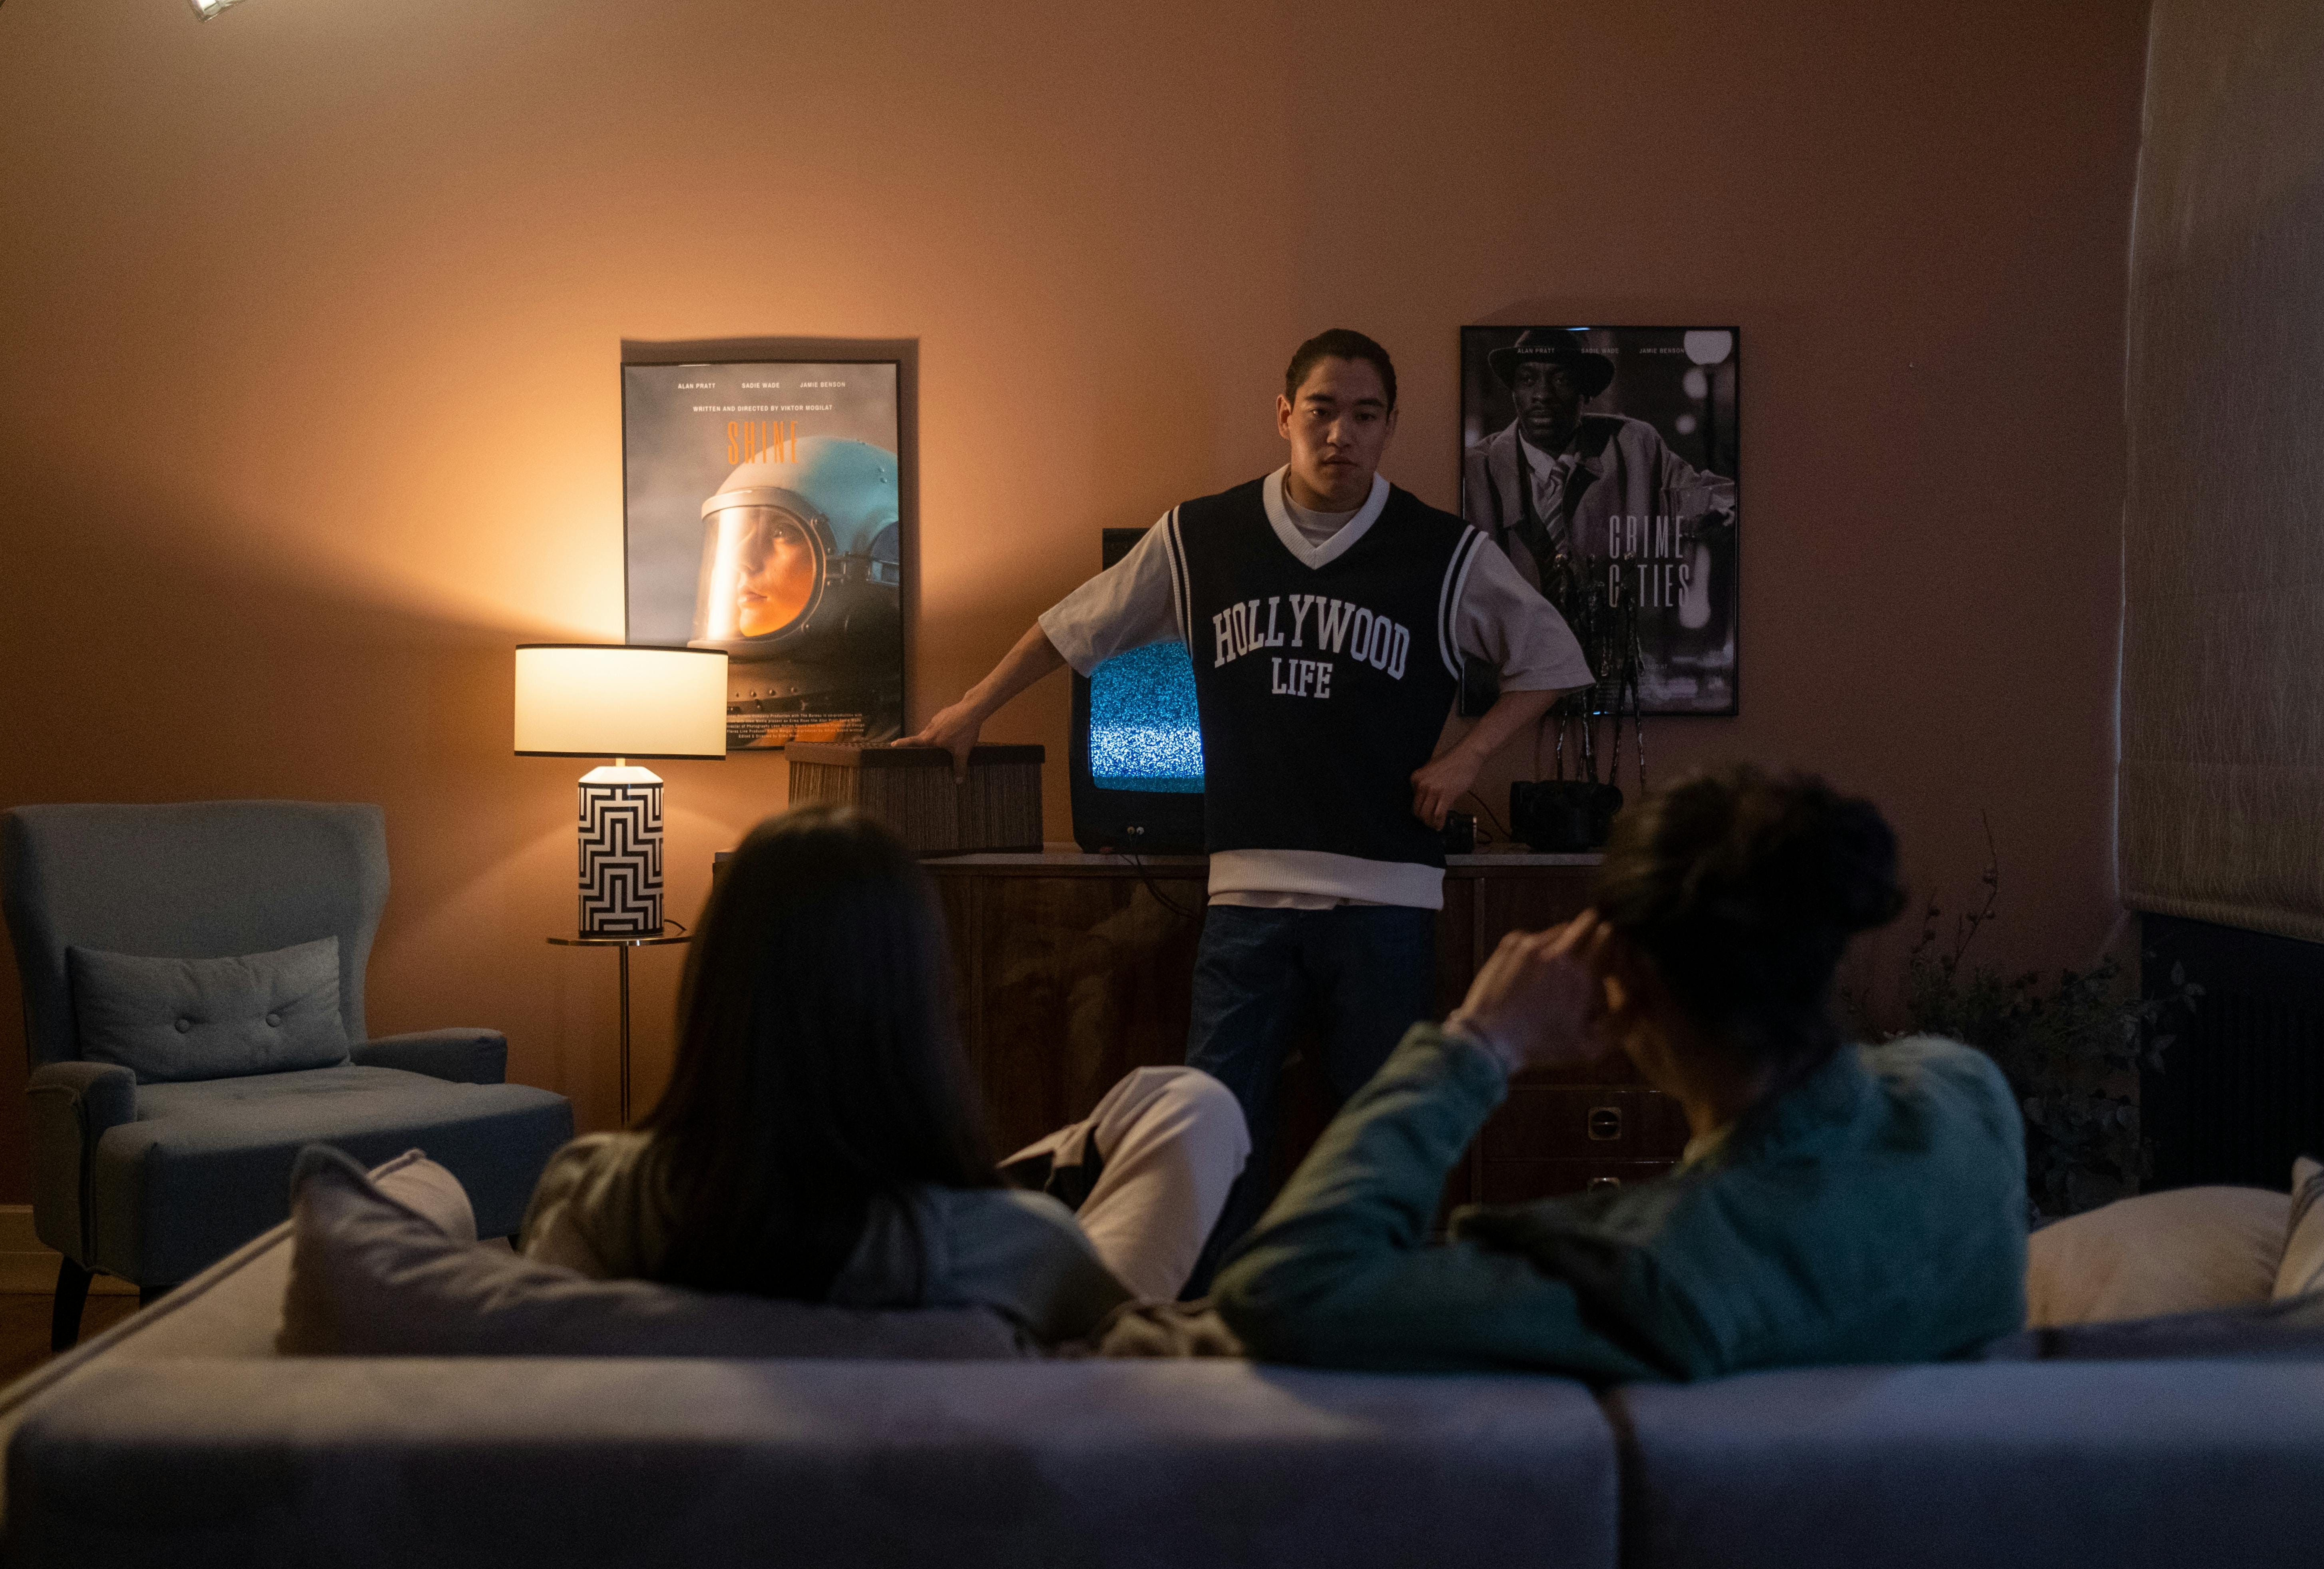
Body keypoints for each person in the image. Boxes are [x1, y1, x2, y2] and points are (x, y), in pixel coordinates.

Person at [899, 328, 1591, 1285]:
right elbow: (1075, 625)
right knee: (1210, 1138)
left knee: (1377, 1145)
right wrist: (972, 709)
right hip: (1247, 898)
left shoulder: (1443, 551)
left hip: (1386, 896)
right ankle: (1214, 1326)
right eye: (1321, 410)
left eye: (1364, 415)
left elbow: (1553, 659)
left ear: (1389, 427)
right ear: (1283, 414)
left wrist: (1466, 756)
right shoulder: (1202, 537)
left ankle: (1367, 1318)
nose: (1340, 433)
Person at [1211, 766, 2029, 1378]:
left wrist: (1480, 1040)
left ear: (1625, 970)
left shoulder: (1654, 1269)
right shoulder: (1966, 1098)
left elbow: (1287, 1287)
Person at [518, 806, 1249, 1345]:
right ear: (919, 1006)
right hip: (953, 1230)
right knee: (1195, 1104)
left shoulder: (597, 1191)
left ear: (713, 990)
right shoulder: (1024, 1252)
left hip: (798, 1204)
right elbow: (1128, 1357)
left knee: (1171, 1098)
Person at [1462, 328, 1737, 698]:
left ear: (1586, 392)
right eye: (1527, 380)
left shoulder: (1633, 446)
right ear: (1513, 391)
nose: (1541, 395)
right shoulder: (1474, 471)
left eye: (1561, 380)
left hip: (1609, 677)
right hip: (1510, 684)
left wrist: (1720, 512)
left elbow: (1708, 497)